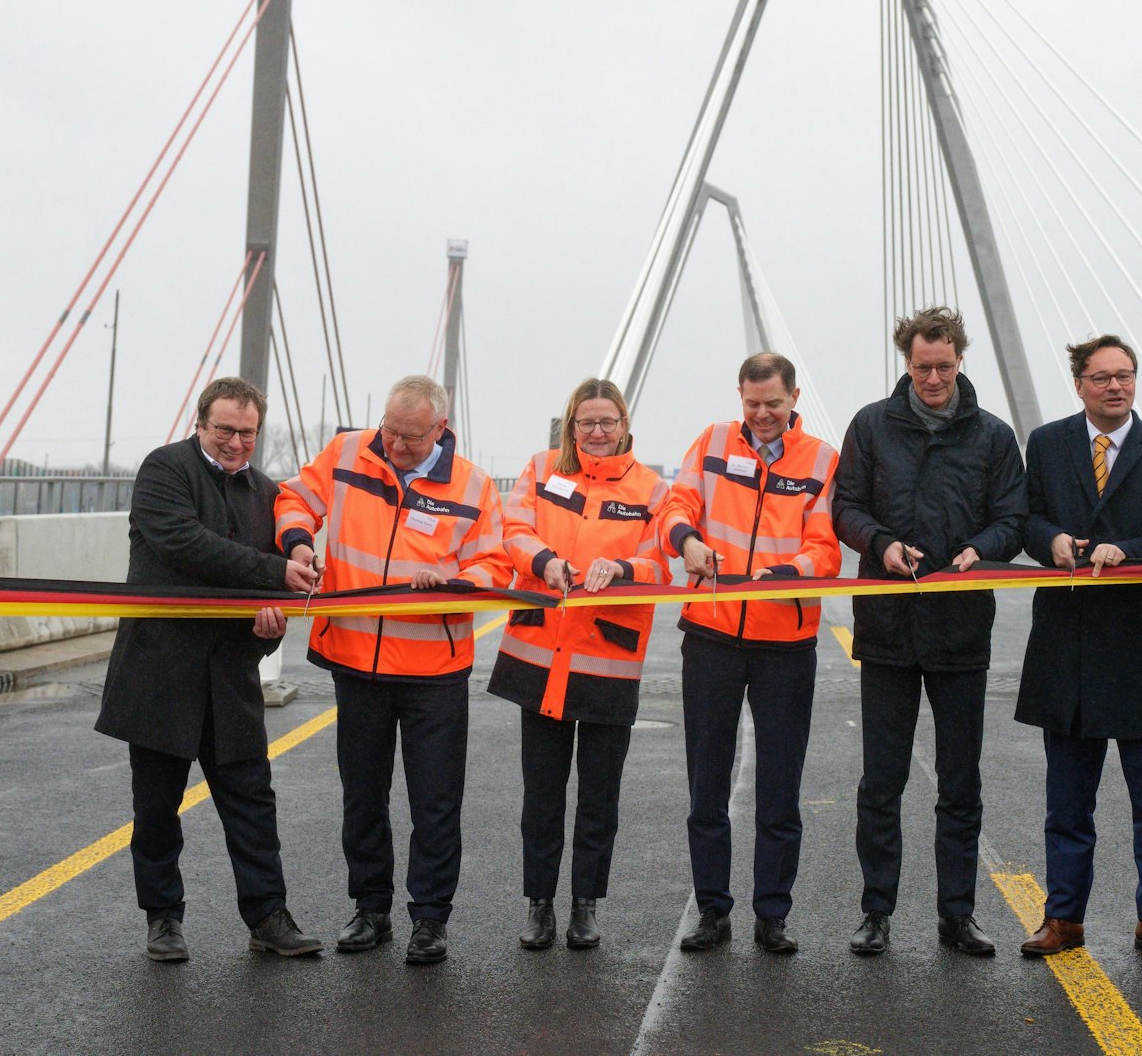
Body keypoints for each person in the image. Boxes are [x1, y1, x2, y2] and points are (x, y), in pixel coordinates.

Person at [274, 374, 509, 965]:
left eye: (409, 437)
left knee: (435, 801)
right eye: (390, 431)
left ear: (439, 429)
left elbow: (496, 565)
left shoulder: (474, 486)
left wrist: (453, 583)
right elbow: (294, 497)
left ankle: (430, 919)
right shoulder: (349, 451)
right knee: (363, 795)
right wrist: (300, 542)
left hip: (434, 667)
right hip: (356, 660)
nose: (395, 446)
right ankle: (370, 909)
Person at [95, 376, 325, 962]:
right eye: (224, 429)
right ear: (201, 423)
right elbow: (183, 544)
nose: (235, 442)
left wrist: (274, 608)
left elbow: (280, 558)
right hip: (158, 673)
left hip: (230, 676)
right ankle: (163, 919)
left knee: (253, 805)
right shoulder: (163, 470)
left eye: (247, 432)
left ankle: (268, 916)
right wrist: (274, 574)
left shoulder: (265, 490)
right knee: (155, 812)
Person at [831, 307, 1026, 957]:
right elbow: (845, 507)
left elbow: (1012, 516)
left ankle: (957, 914)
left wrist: (982, 549)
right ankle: (876, 911)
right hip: (887, 629)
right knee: (880, 782)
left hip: (961, 632)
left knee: (959, 783)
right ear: (906, 363)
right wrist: (881, 545)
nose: (934, 376)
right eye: (923, 366)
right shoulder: (870, 425)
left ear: (960, 360)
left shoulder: (993, 437)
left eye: (944, 365)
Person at [1014, 335, 1142, 963]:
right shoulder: (1046, 445)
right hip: (1067, 649)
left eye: (1124, 376)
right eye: (1101, 378)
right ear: (1079, 385)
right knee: (1067, 804)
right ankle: (1063, 917)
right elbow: (1026, 519)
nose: (1115, 387)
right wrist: (1054, 540)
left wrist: (1130, 551)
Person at [660, 353, 841, 954]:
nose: (763, 415)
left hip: (785, 644)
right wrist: (687, 541)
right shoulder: (711, 442)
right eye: (752, 403)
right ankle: (712, 911)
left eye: (774, 404)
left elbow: (826, 550)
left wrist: (784, 572)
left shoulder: (820, 459)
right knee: (705, 786)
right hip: (711, 636)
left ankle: (773, 914)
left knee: (780, 787)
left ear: (794, 400)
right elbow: (676, 506)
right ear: (739, 396)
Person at [488, 379, 671, 951]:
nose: (596, 432)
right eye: (586, 422)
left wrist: (621, 568)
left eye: (607, 423)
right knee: (541, 794)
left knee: (599, 796)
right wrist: (545, 563)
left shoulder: (651, 488)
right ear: (571, 426)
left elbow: (662, 563)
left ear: (624, 426)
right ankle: (538, 906)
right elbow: (512, 529)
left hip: (606, 661)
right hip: (540, 657)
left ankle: (585, 906)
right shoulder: (541, 471)